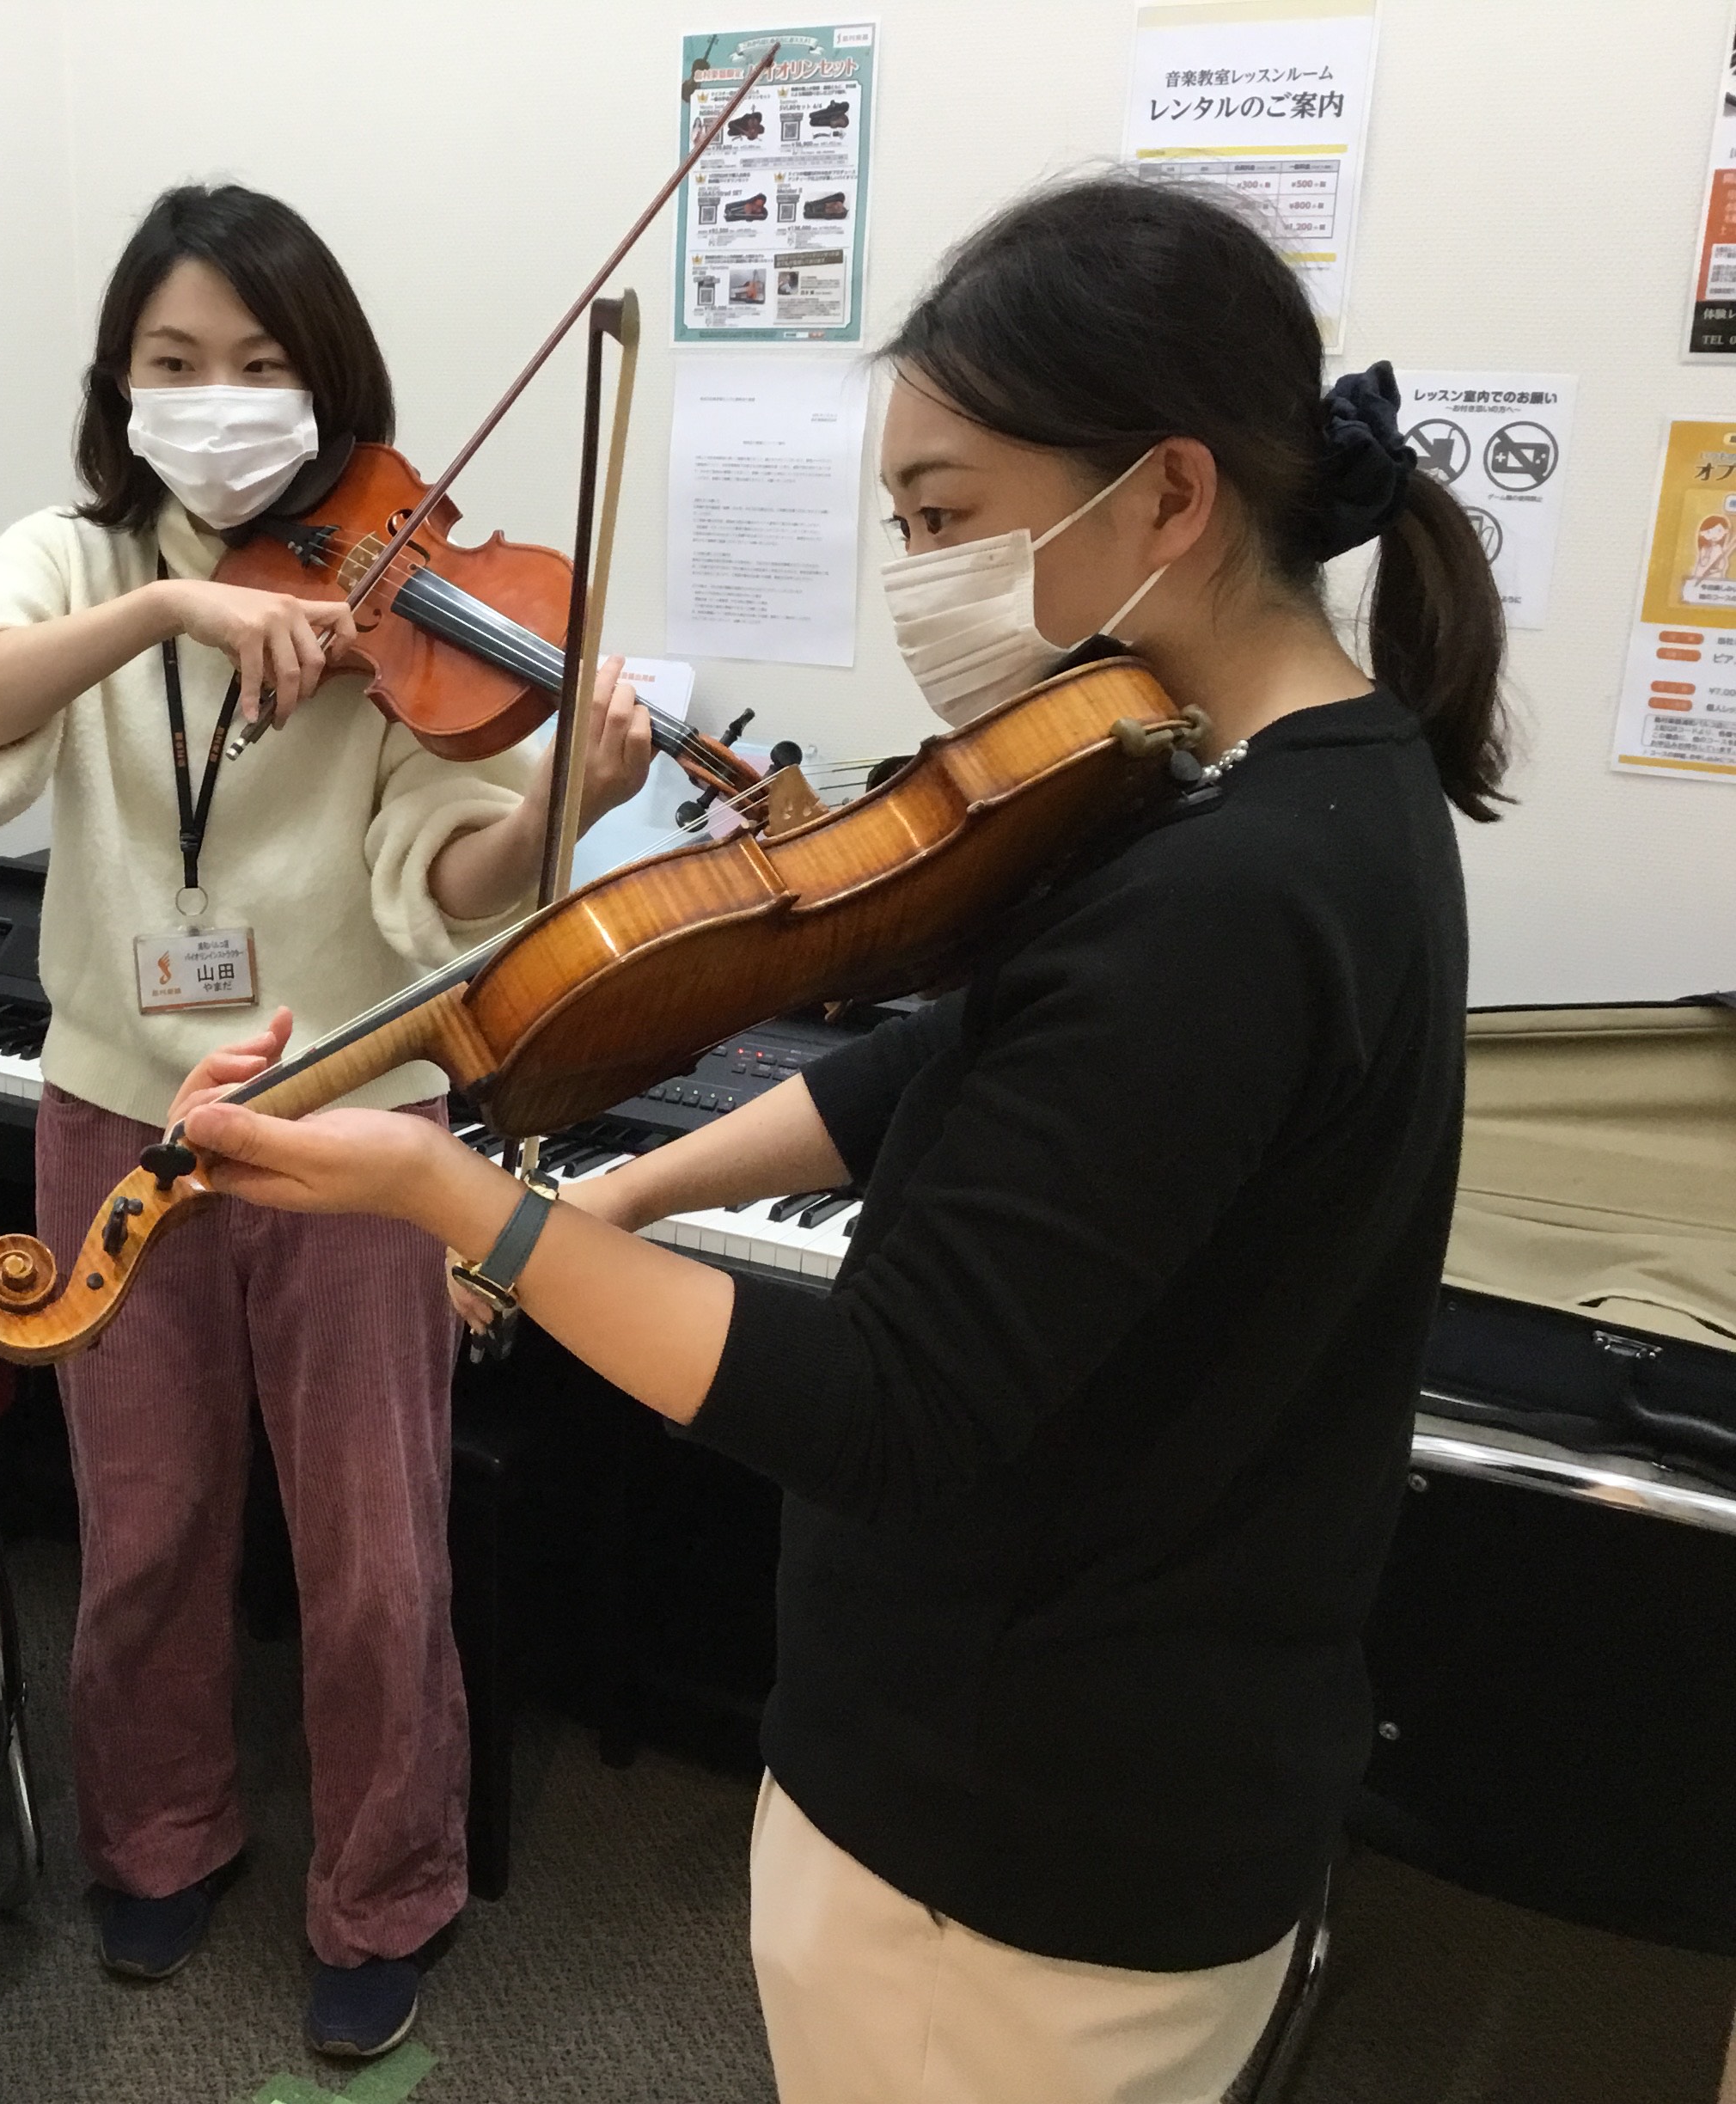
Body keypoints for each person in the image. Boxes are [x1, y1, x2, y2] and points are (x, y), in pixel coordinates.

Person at [169, 173, 1505, 2102]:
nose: (917, 575)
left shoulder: (1224, 900)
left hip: (1015, 1855)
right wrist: (631, 1179)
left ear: (1172, 495)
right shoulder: (1312, 796)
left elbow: (886, 1404)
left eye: (947, 518)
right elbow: (946, 1068)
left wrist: (471, 1201)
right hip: (1138, 1769)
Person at [0, 183, 651, 2059]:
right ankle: (161, 1836)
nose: (218, 399)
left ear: (331, 388)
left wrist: (564, 812)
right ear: (121, 385)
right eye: (175, 364)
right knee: (141, 1522)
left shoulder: (391, 591)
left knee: (373, 1546)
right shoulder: (70, 563)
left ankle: (386, 1885)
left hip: (354, 1123)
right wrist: (168, 601)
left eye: (262, 365)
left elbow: (432, 877)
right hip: (114, 1118)